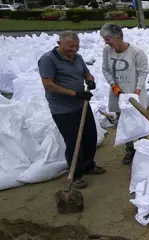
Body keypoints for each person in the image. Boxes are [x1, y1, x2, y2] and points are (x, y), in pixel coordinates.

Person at [38, 31, 106, 189]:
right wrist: (75, 93)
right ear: (59, 43)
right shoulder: (48, 60)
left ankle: (89, 165)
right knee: (74, 141)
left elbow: (86, 73)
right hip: (62, 109)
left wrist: (90, 80)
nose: (74, 49)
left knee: (90, 136)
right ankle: (75, 174)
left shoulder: (78, 58)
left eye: (77, 46)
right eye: (70, 46)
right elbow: (48, 84)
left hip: (81, 105)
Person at [100, 23, 149, 165]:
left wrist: (136, 92)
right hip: (118, 95)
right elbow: (105, 69)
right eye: (104, 39)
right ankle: (130, 150)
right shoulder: (107, 50)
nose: (106, 42)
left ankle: (144, 149)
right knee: (124, 123)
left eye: (108, 39)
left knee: (140, 122)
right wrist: (114, 86)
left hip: (135, 94)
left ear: (119, 37)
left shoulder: (136, 52)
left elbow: (142, 72)